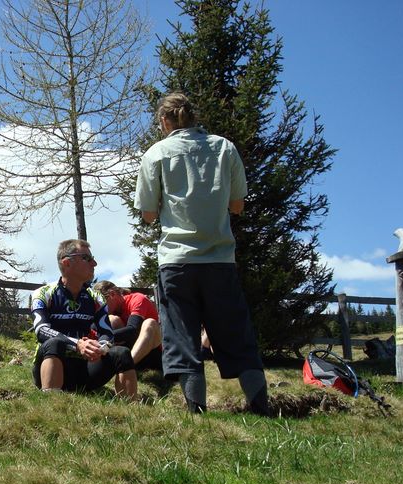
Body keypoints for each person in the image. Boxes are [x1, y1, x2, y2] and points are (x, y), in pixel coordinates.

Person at [134, 92, 270, 416]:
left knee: (182, 337)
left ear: (164, 121)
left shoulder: (156, 153)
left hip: (176, 260)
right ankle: (260, 406)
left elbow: (148, 214)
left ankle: (197, 411)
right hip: (220, 259)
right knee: (236, 334)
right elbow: (237, 205)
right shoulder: (224, 148)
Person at [30, 239, 137, 400]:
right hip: (50, 363)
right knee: (54, 343)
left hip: (85, 368)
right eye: (86, 258)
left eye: (92, 258)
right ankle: (52, 403)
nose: (94, 263)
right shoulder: (42, 293)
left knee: (121, 352)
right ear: (66, 262)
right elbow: (41, 330)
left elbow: (107, 333)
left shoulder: (96, 297)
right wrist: (77, 344)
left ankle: (132, 408)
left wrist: (100, 348)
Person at [92, 280, 162, 372]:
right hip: (130, 351)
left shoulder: (137, 299)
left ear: (112, 294)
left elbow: (133, 329)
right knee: (112, 319)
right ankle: (113, 365)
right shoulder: (111, 312)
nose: (100, 308)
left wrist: (104, 337)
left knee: (150, 323)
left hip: (153, 353)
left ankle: (125, 366)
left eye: (101, 303)